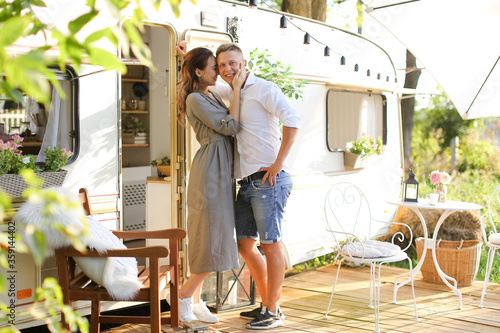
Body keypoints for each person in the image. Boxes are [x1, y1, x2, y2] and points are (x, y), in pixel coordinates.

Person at [214, 43, 300, 330]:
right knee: (245, 245)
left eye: (233, 63)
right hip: (246, 181)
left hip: (269, 180)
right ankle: (266, 304)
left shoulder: (264, 88)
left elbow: (293, 121)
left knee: (270, 245)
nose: (228, 69)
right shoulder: (231, 90)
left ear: (244, 62)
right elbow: (204, 83)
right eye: (222, 64)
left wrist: (278, 163)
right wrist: (184, 56)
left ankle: (273, 311)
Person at [175, 47, 246, 326]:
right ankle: (183, 297)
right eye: (213, 67)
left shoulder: (210, 94)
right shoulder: (195, 98)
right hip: (210, 172)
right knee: (210, 236)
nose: (218, 71)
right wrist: (237, 90)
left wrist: (186, 53)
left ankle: (195, 300)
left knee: (214, 235)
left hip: (219, 169)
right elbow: (230, 127)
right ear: (198, 72)